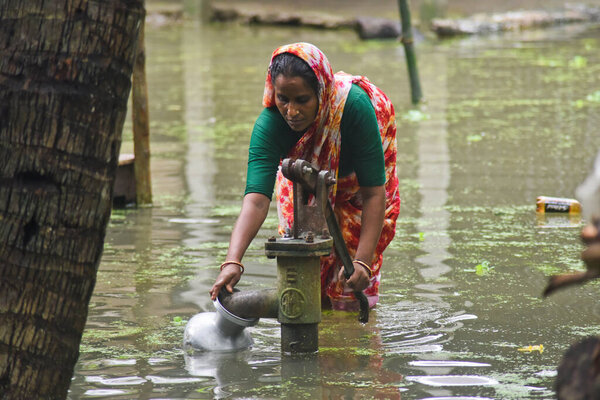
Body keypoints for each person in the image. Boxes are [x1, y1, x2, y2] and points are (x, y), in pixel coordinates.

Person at [209, 42, 400, 310]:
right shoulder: (270, 125)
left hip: (360, 189)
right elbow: (256, 201)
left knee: (350, 294)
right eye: (283, 99)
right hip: (304, 185)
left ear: (321, 92)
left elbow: (373, 193)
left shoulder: (354, 109)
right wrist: (232, 261)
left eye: (302, 100)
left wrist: (362, 261)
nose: (292, 111)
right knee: (304, 275)